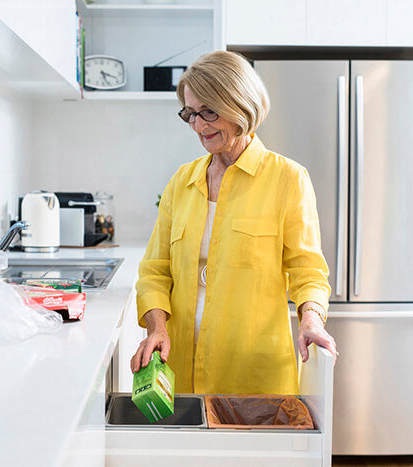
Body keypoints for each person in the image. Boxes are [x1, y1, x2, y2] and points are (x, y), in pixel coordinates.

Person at [131, 50, 336, 394]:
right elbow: (154, 270)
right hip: (178, 367)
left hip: (254, 371)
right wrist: (156, 327)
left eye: (209, 112)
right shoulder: (182, 182)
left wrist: (311, 319)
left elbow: (308, 271)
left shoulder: (288, 178)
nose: (198, 125)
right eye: (191, 114)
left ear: (241, 105)